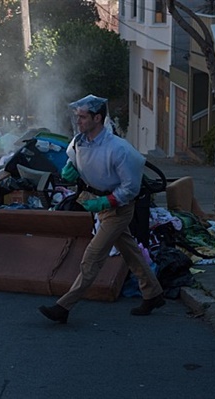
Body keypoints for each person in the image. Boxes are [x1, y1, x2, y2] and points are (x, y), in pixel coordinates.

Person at [39, 95, 164, 323]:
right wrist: (71, 169)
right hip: (99, 204)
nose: (79, 121)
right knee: (130, 252)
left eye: (83, 117)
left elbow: (131, 187)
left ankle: (64, 307)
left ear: (98, 118)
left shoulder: (119, 149)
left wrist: (107, 202)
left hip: (118, 208)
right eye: (77, 116)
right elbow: (75, 161)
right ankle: (153, 293)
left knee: (92, 257)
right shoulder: (80, 141)